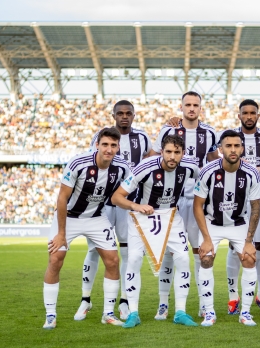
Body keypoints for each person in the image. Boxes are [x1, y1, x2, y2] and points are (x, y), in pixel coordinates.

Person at [43, 127, 130, 329]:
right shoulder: (78, 163)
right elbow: (62, 198)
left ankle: (108, 313)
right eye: (105, 144)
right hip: (69, 217)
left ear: (118, 148)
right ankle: (50, 315)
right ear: (97, 145)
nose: (109, 149)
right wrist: (61, 234)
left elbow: (125, 192)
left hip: (97, 217)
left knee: (113, 260)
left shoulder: (122, 168)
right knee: (56, 259)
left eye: (113, 145)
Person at [75, 100, 154, 322]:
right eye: (120, 113)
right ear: (114, 115)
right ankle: (86, 299)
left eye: (129, 113)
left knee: (127, 252)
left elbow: (153, 158)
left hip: (129, 205)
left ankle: (125, 302)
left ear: (134, 115)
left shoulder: (143, 138)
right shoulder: (101, 137)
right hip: (104, 204)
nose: (124, 116)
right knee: (94, 250)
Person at [111, 135, 200, 328]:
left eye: (177, 152)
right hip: (142, 217)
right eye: (168, 151)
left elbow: (206, 180)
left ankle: (180, 312)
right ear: (161, 151)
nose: (172, 156)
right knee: (133, 258)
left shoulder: (191, 167)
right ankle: (133, 313)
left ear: (183, 153)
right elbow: (117, 197)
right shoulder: (145, 167)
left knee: (184, 259)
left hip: (171, 216)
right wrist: (136, 206)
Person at [152, 91, 219, 318]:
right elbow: (153, 159)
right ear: (181, 107)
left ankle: (203, 303)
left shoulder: (209, 133)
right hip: (173, 200)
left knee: (201, 253)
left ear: (201, 108)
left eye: (195, 105)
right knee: (169, 253)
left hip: (200, 201)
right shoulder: (168, 130)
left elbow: (213, 163)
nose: (192, 108)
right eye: (188, 105)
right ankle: (163, 303)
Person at [193, 130, 260, 327]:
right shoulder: (208, 171)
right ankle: (209, 312)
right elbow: (197, 205)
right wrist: (206, 238)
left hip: (238, 223)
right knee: (205, 258)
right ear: (221, 149)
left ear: (242, 148)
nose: (233, 150)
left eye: (236, 146)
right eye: (228, 146)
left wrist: (249, 242)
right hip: (212, 224)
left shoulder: (251, 173)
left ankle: (246, 313)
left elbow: (256, 207)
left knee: (250, 258)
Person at [222, 99, 260, 317]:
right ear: (240, 116)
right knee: (236, 247)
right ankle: (233, 296)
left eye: (253, 112)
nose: (249, 116)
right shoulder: (230, 137)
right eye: (246, 113)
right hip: (234, 198)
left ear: (258, 115)